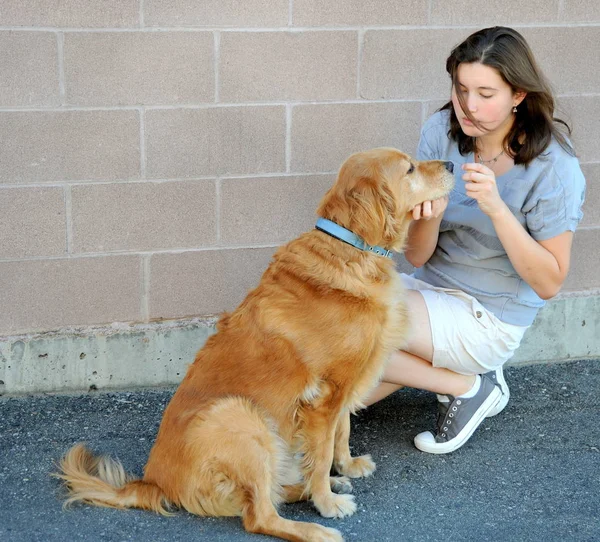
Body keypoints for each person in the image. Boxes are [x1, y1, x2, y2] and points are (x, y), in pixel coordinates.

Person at [365, 26, 586, 454]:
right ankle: (464, 380)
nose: (468, 106)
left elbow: (549, 282)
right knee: (338, 394)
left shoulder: (554, 167)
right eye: (461, 88)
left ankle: (465, 385)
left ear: (518, 95)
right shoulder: (442, 131)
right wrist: (435, 212)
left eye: (486, 94)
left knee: (357, 322)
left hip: (491, 315)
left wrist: (497, 209)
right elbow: (416, 255)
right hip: (430, 290)